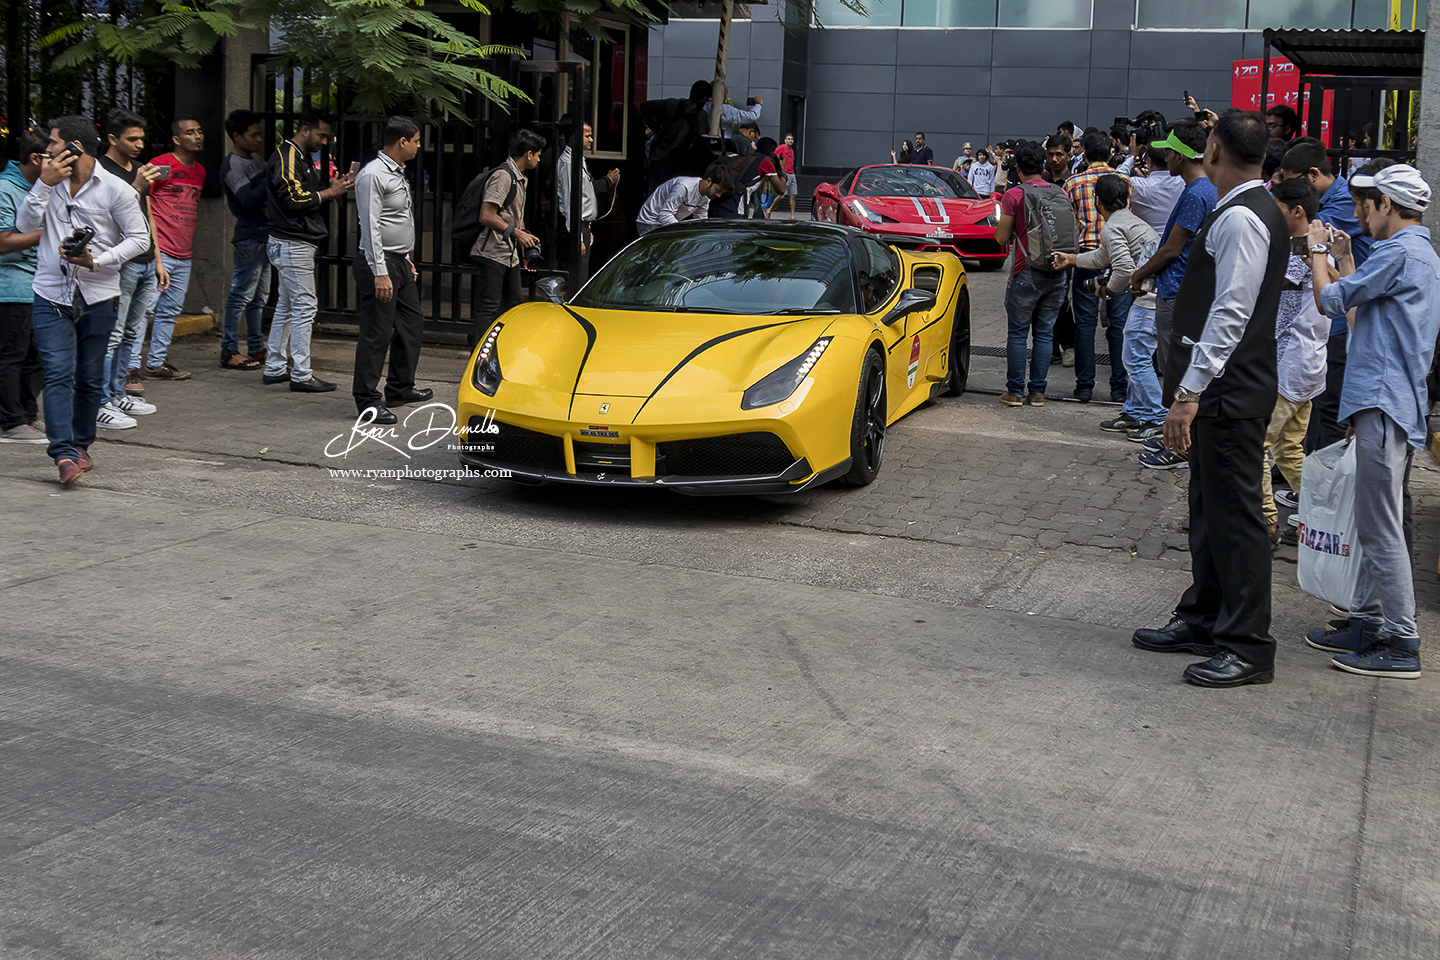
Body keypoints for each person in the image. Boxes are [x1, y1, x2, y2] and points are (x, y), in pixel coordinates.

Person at [1132, 110, 1290, 688]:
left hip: (1227, 393)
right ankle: (1204, 616)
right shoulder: (1242, 207)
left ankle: (1248, 645)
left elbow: (1231, 313)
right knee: (1209, 510)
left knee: (1238, 518)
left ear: (1216, 148)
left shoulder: (1244, 217)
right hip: (1222, 392)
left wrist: (1189, 392)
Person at [1304, 164, 1440, 679]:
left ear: (1387, 203)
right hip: (1381, 405)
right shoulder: (1412, 255)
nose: (1360, 213)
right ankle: (1367, 619)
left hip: (1386, 404)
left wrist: (1317, 248)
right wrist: (1340, 258)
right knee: (1370, 523)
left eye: (1366, 204)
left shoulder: (1402, 254)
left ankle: (1401, 638)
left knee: (1380, 527)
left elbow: (1331, 300)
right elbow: (1362, 314)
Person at [15, 115, 150, 485]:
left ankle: (81, 444)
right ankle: (63, 452)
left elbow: (140, 239)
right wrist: (43, 185)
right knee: (58, 373)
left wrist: (98, 260)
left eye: (54, 145)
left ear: (76, 149)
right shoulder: (47, 184)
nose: (47, 152)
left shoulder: (115, 189)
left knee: (90, 378)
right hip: (50, 294)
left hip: (99, 294)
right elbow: (25, 225)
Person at [1128, 120, 1216, 467]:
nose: (1163, 153)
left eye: (1169, 148)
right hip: (1180, 289)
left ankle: (1180, 448)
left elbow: (1172, 249)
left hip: (1176, 291)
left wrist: (1139, 274)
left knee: (1176, 371)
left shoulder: (1197, 193)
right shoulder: (1202, 189)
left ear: (1179, 154)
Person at [1278, 140, 1374, 452]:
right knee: (1309, 418)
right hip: (1332, 314)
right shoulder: (1332, 201)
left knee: (1330, 411)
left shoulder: (1343, 204)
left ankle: (1327, 479)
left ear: (1314, 174)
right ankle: (1310, 479)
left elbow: (1306, 242)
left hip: (1339, 319)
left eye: (1294, 183)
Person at [1051, 175, 1163, 438]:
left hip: (1147, 301)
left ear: (1097, 200)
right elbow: (1104, 256)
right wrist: (1072, 259)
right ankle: (1135, 412)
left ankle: (1158, 417)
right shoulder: (1129, 222)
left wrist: (1108, 290)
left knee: (1135, 359)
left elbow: (1123, 267)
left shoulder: (1112, 227)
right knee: (1137, 357)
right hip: (1153, 297)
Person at [1260, 177, 1330, 546]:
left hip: (1290, 365)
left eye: (1279, 209)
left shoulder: (1303, 252)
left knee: (1256, 447)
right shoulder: (1321, 251)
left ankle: (1266, 522)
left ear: (1297, 211)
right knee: (1289, 449)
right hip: (1308, 367)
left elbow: (1266, 286)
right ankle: (1320, 517)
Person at [263, 110, 355, 391]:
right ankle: (301, 373)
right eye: (321, 135)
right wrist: (330, 192)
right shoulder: (288, 156)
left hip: (289, 241)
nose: (323, 141)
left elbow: (298, 195)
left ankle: (275, 366)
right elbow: (292, 197)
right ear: (305, 130)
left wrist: (329, 188)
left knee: (288, 306)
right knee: (303, 306)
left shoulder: (297, 157)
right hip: (292, 241)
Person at [352, 116, 428, 426]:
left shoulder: (397, 173)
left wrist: (406, 257)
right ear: (402, 142)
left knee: (412, 323)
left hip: (399, 262)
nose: (419, 147)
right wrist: (379, 271)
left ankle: (400, 387)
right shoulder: (373, 175)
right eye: (417, 141)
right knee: (377, 333)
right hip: (379, 263)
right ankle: (368, 400)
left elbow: (396, 221)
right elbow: (370, 227)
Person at [95, 109, 161, 428]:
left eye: (141, 138)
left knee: (133, 332)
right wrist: (135, 185)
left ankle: (119, 391)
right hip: (121, 263)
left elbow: (147, 217)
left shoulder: (138, 168)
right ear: (112, 139)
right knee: (114, 332)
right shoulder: (101, 172)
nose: (139, 144)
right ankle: (101, 399)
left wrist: (159, 259)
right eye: (131, 139)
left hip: (146, 261)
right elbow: (106, 217)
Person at [994, 141, 1071, 408]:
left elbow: (1002, 237)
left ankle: (1015, 392)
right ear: (1043, 165)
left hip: (1026, 272)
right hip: (1058, 271)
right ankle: (1037, 393)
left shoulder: (1014, 195)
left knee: (1017, 333)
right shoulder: (1060, 192)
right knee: (1045, 333)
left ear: (1017, 168)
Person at [1065, 132, 1132, 403]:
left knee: (1084, 324)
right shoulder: (1125, 182)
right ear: (1109, 154)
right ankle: (1118, 388)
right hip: (1118, 256)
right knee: (1118, 324)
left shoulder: (1072, 182)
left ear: (1086, 155)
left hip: (1087, 256)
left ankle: (1084, 387)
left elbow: (1070, 222)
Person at [143, 115, 206, 382]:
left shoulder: (200, 171)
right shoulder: (159, 165)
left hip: (184, 253)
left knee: (169, 311)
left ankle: (155, 363)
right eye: (191, 133)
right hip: (162, 251)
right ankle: (128, 366)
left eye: (200, 131)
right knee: (144, 310)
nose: (198, 136)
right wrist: (154, 250)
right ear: (176, 139)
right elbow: (144, 200)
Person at [470, 128, 543, 351]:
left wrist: (525, 249)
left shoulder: (520, 179)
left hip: (509, 255)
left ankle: (504, 351)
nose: (540, 159)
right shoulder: (504, 176)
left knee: (513, 306)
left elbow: (515, 217)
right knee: (489, 307)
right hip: (492, 252)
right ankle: (478, 355)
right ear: (528, 154)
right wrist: (517, 233)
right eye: (538, 154)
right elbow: (487, 215)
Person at [0, 128, 47, 444]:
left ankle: (26, 416)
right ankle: (10, 422)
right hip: (12, 286)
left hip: (40, 286)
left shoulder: (44, 189)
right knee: (12, 356)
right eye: (53, 158)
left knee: (39, 356)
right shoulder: (6, 189)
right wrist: (48, 234)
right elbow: (3, 243)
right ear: (35, 158)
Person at [219, 108, 270, 370]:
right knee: (241, 295)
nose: (258, 139)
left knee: (259, 297)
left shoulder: (258, 160)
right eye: (253, 135)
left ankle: (256, 347)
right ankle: (228, 350)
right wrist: (270, 174)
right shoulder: (232, 165)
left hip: (264, 234)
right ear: (237, 136)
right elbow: (248, 200)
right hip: (249, 235)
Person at [556, 119, 618, 278]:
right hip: (574, 226)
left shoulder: (578, 160)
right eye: (587, 136)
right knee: (576, 276)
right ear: (575, 137)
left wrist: (587, 227)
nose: (591, 140)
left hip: (581, 225)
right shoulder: (568, 163)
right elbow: (569, 201)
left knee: (581, 274)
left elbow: (584, 195)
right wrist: (576, 236)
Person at [1116, 141, 1184, 235]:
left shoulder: (1138, 185)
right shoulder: (1183, 181)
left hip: (1145, 240)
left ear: (1149, 162)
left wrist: (1131, 157)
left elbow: (1115, 180)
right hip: (1174, 238)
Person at [637, 168, 728, 233]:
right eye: (718, 190)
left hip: (666, 223)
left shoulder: (706, 197)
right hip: (650, 221)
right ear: (708, 181)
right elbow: (665, 214)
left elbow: (700, 220)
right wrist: (683, 232)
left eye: (721, 193)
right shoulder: (684, 187)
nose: (718, 195)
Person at [768, 133, 797, 219]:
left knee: (793, 195)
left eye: (791, 139)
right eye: (788, 139)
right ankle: (769, 209)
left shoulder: (792, 150)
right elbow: (775, 156)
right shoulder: (781, 147)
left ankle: (792, 215)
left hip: (792, 173)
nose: (790, 141)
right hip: (785, 174)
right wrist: (780, 168)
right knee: (782, 195)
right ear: (785, 140)